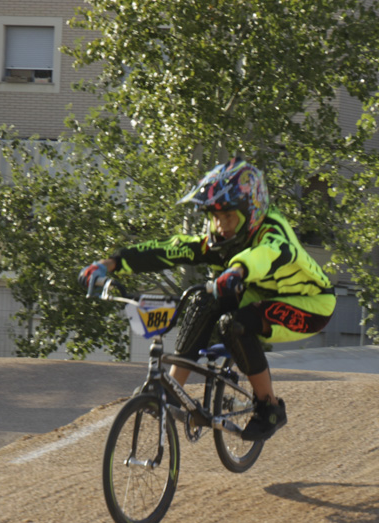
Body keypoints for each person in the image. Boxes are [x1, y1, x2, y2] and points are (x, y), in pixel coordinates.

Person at [78, 158, 335, 441]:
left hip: (309, 303)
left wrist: (236, 271)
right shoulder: (222, 238)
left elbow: (262, 257)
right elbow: (170, 249)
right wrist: (112, 263)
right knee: (202, 299)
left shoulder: (273, 234)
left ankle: (269, 407)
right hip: (258, 292)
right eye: (215, 217)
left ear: (251, 213)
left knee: (236, 325)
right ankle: (172, 390)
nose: (220, 225)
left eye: (228, 217)